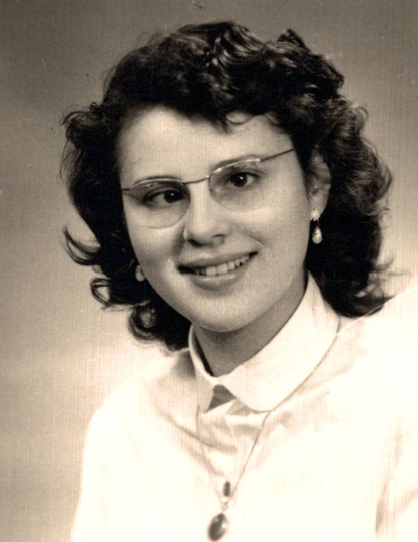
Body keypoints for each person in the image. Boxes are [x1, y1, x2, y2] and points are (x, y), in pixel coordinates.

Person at [62, 22, 418, 542]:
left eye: (240, 179)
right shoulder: (125, 431)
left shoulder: (403, 402)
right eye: (163, 195)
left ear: (316, 185)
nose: (202, 228)